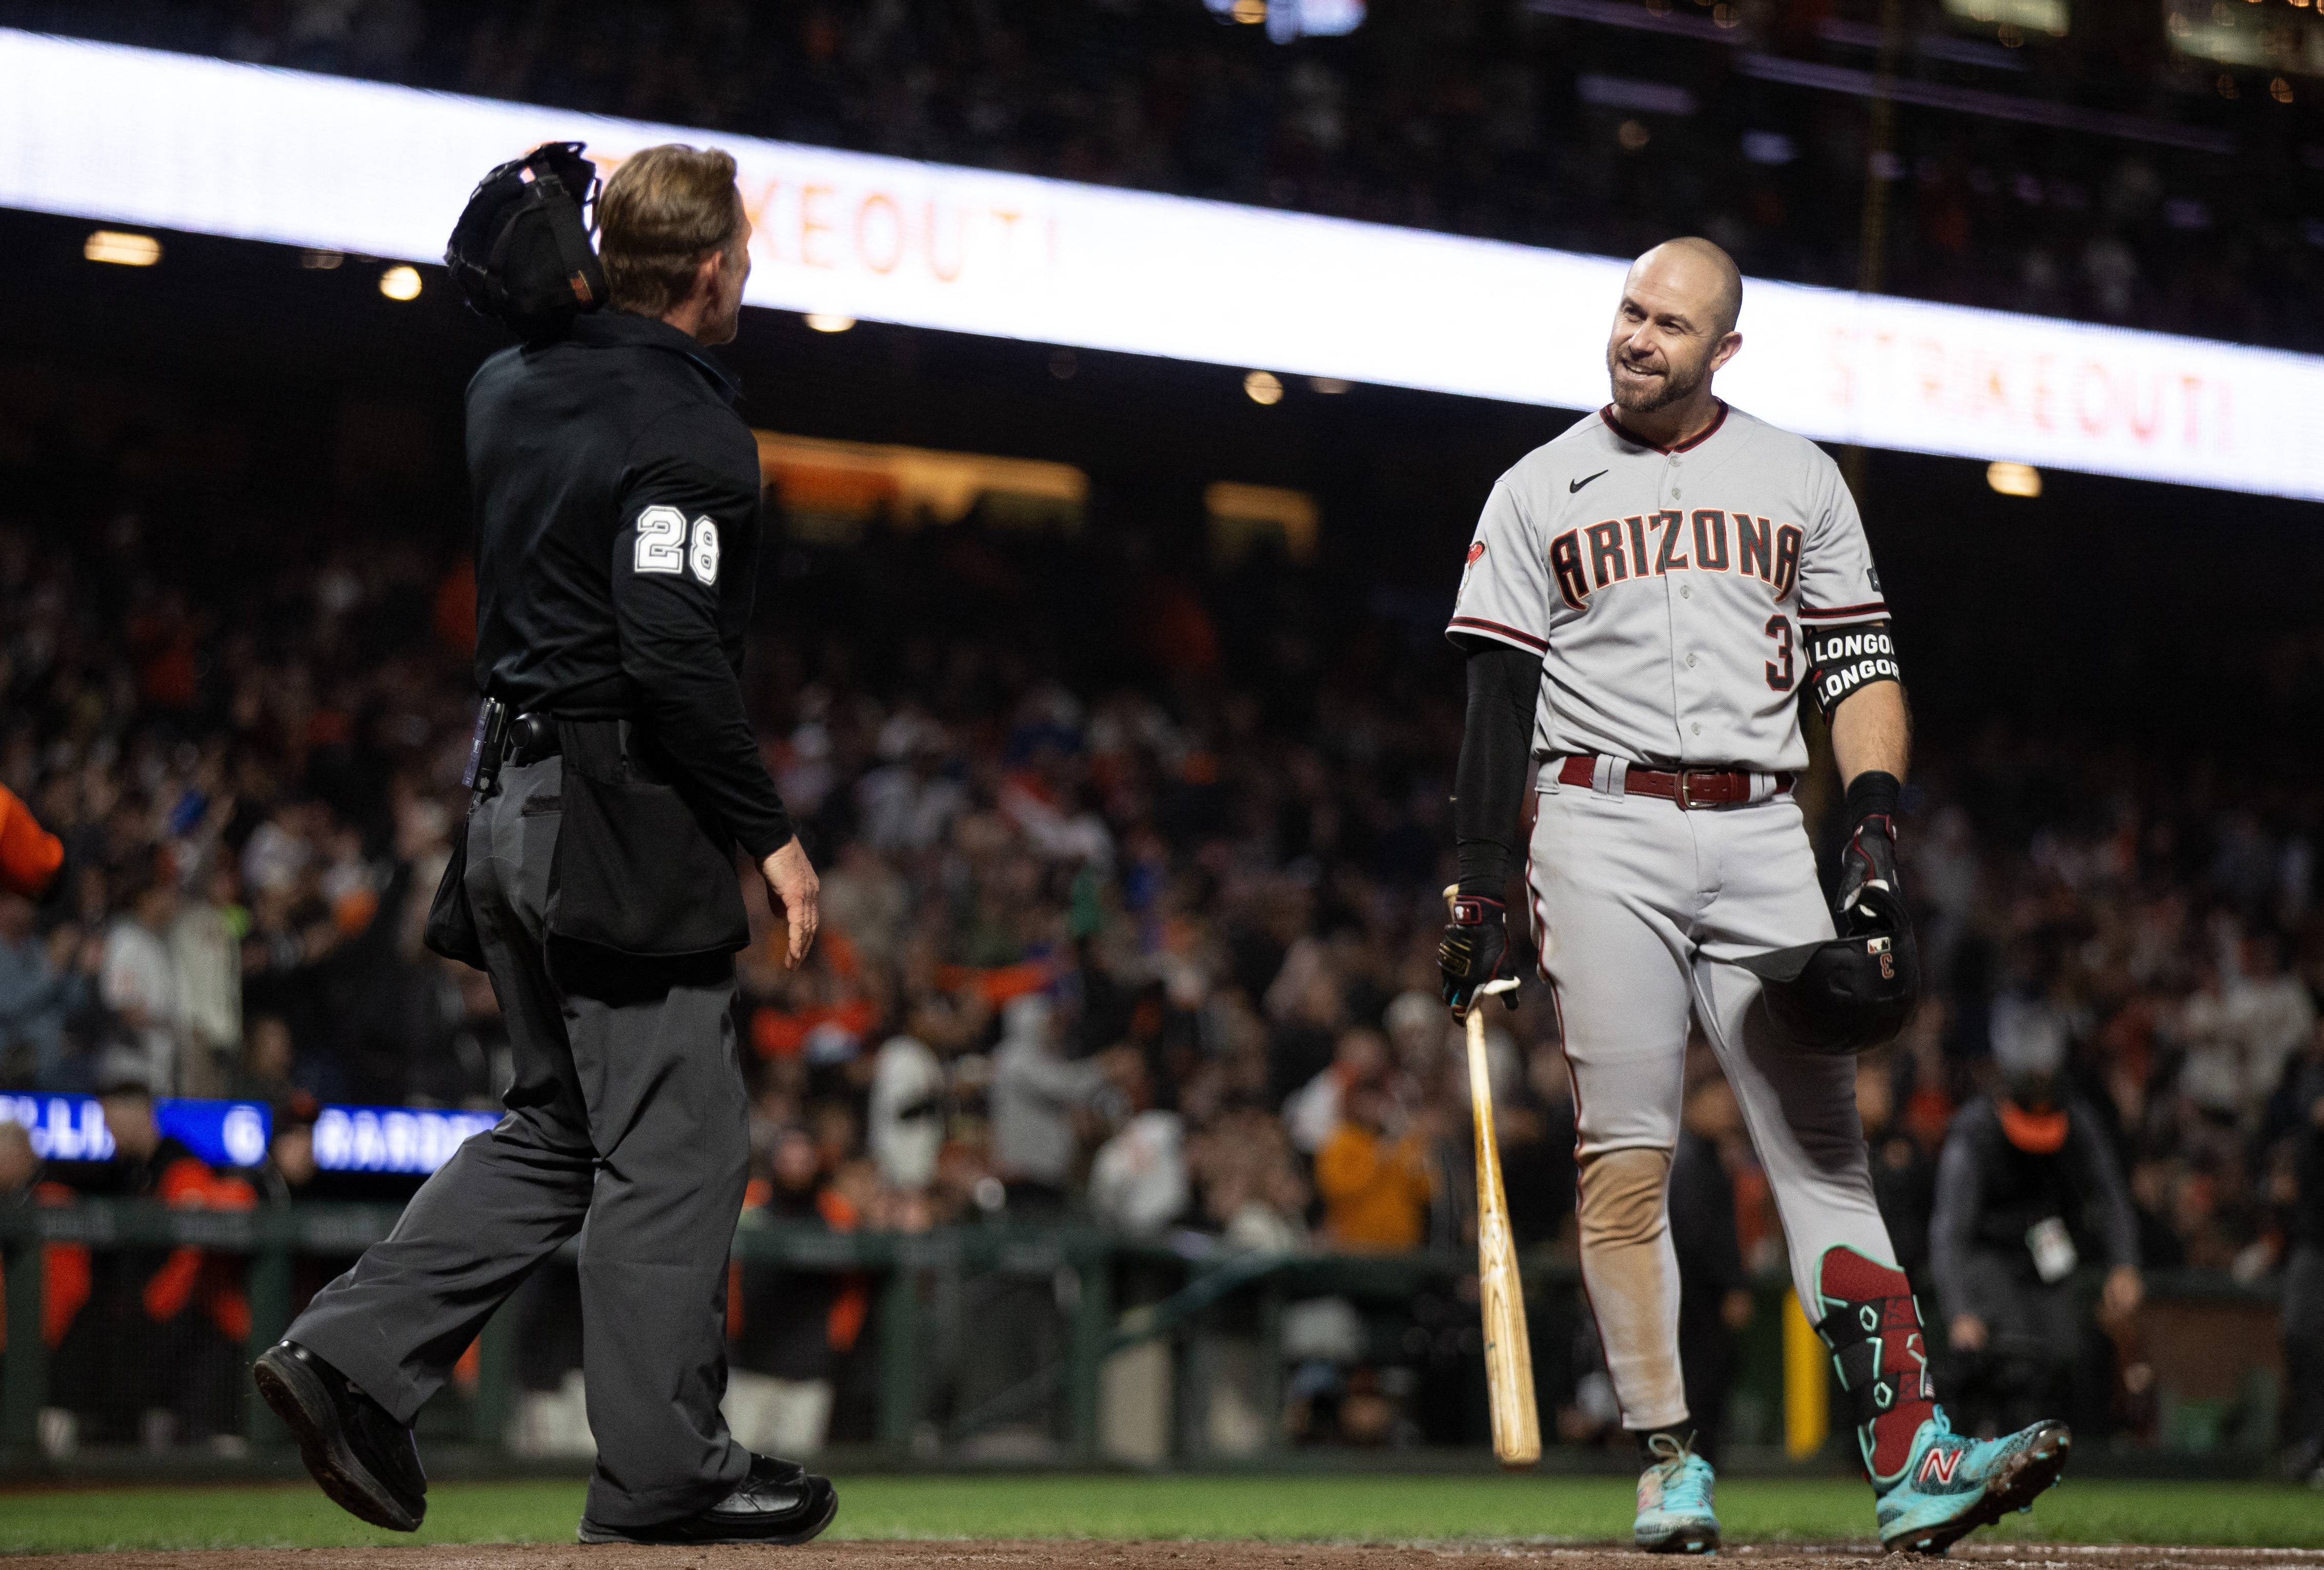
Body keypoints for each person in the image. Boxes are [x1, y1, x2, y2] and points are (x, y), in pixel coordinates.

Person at [1437, 237, 2068, 1555]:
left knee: (1823, 1146)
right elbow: (1492, 700)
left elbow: (1857, 664)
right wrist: (1479, 885)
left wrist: (1874, 834)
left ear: (1724, 349)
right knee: (1628, 1152)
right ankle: (1667, 1456)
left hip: (1763, 823)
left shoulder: (1797, 475)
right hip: (1596, 824)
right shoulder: (1534, 484)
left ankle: (1911, 1453)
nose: (1637, 336)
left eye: (1669, 322)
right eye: (1628, 309)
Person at [252, 144, 833, 1547]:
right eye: (741, 253)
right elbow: (664, 638)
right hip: (614, 818)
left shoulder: (507, 383)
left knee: (560, 1129)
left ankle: (347, 1357)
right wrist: (770, 835)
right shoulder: (684, 426)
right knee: (677, 1143)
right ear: (709, 269)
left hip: (504, 803)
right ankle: (665, 1472)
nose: (748, 270)